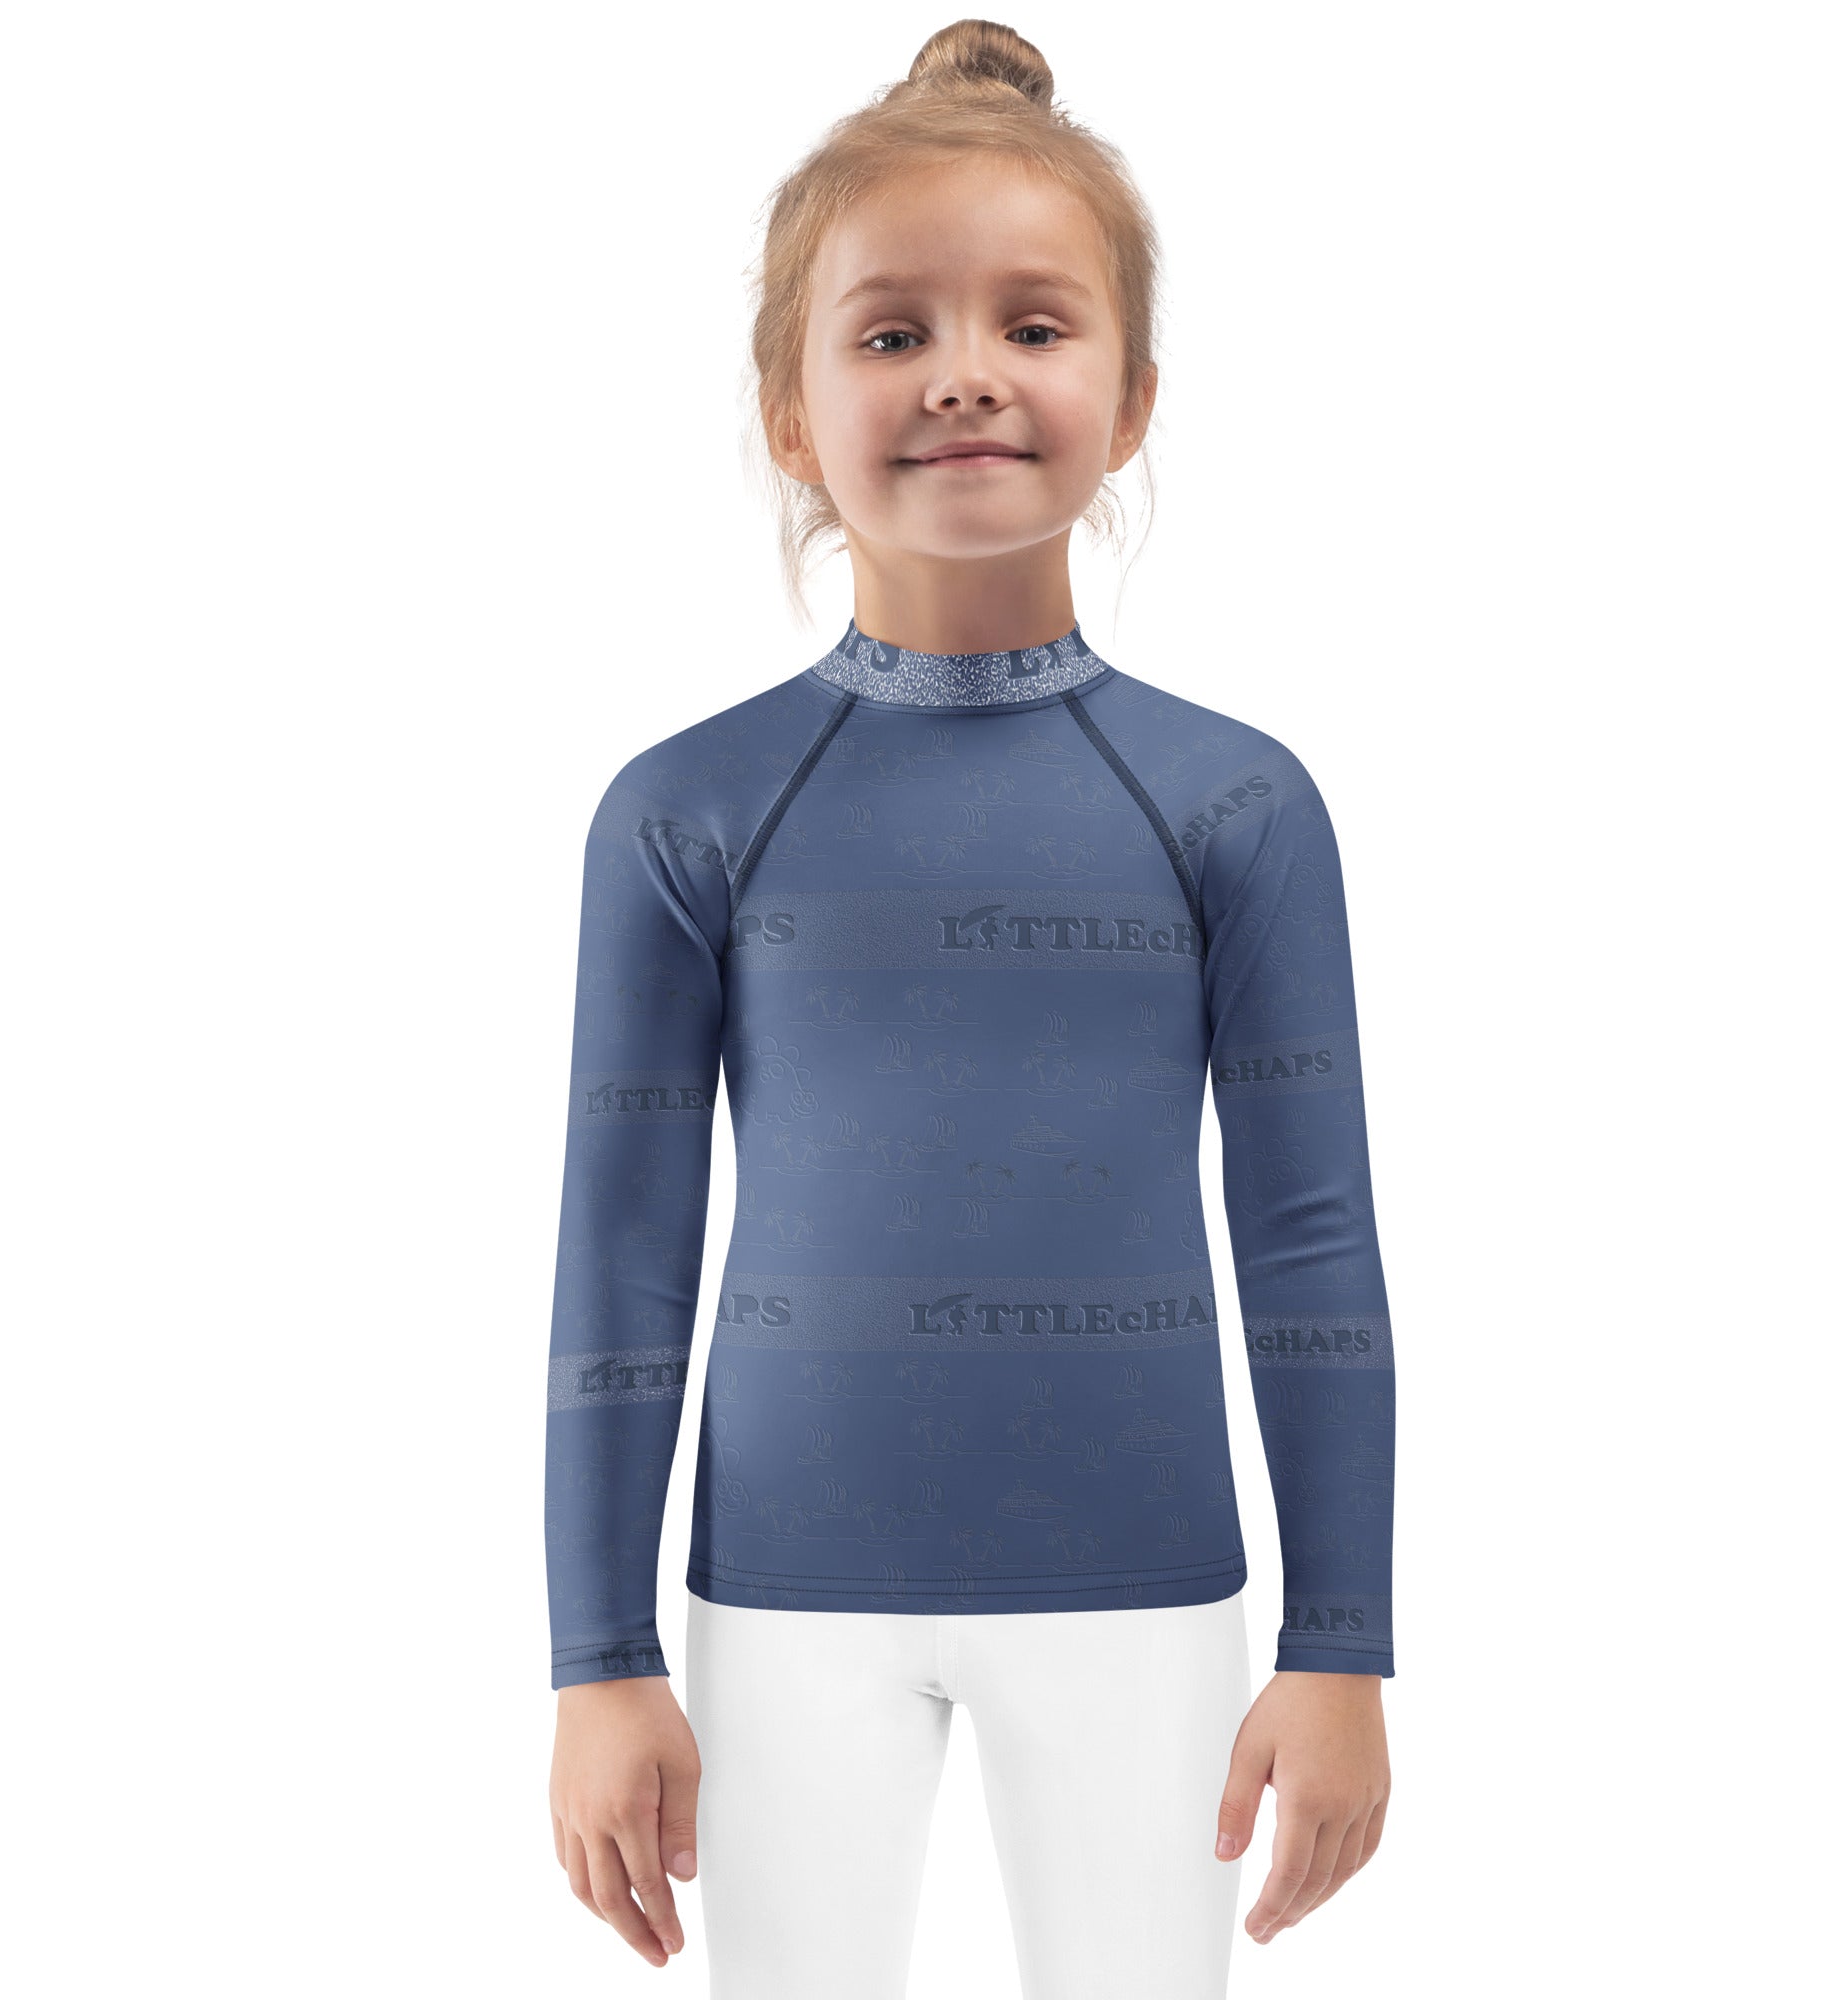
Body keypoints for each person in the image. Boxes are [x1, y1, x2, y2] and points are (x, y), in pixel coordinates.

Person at [543, 20, 1395, 1996]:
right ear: (789, 413)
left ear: (1133, 396)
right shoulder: (687, 809)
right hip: (784, 1596)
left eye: (1031, 322)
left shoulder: (1234, 804)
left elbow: (1310, 1235)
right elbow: (623, 1246)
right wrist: (599, 1660)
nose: (963, 374)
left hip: (1141, 1594)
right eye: (889, 331)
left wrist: (1340, 1643)